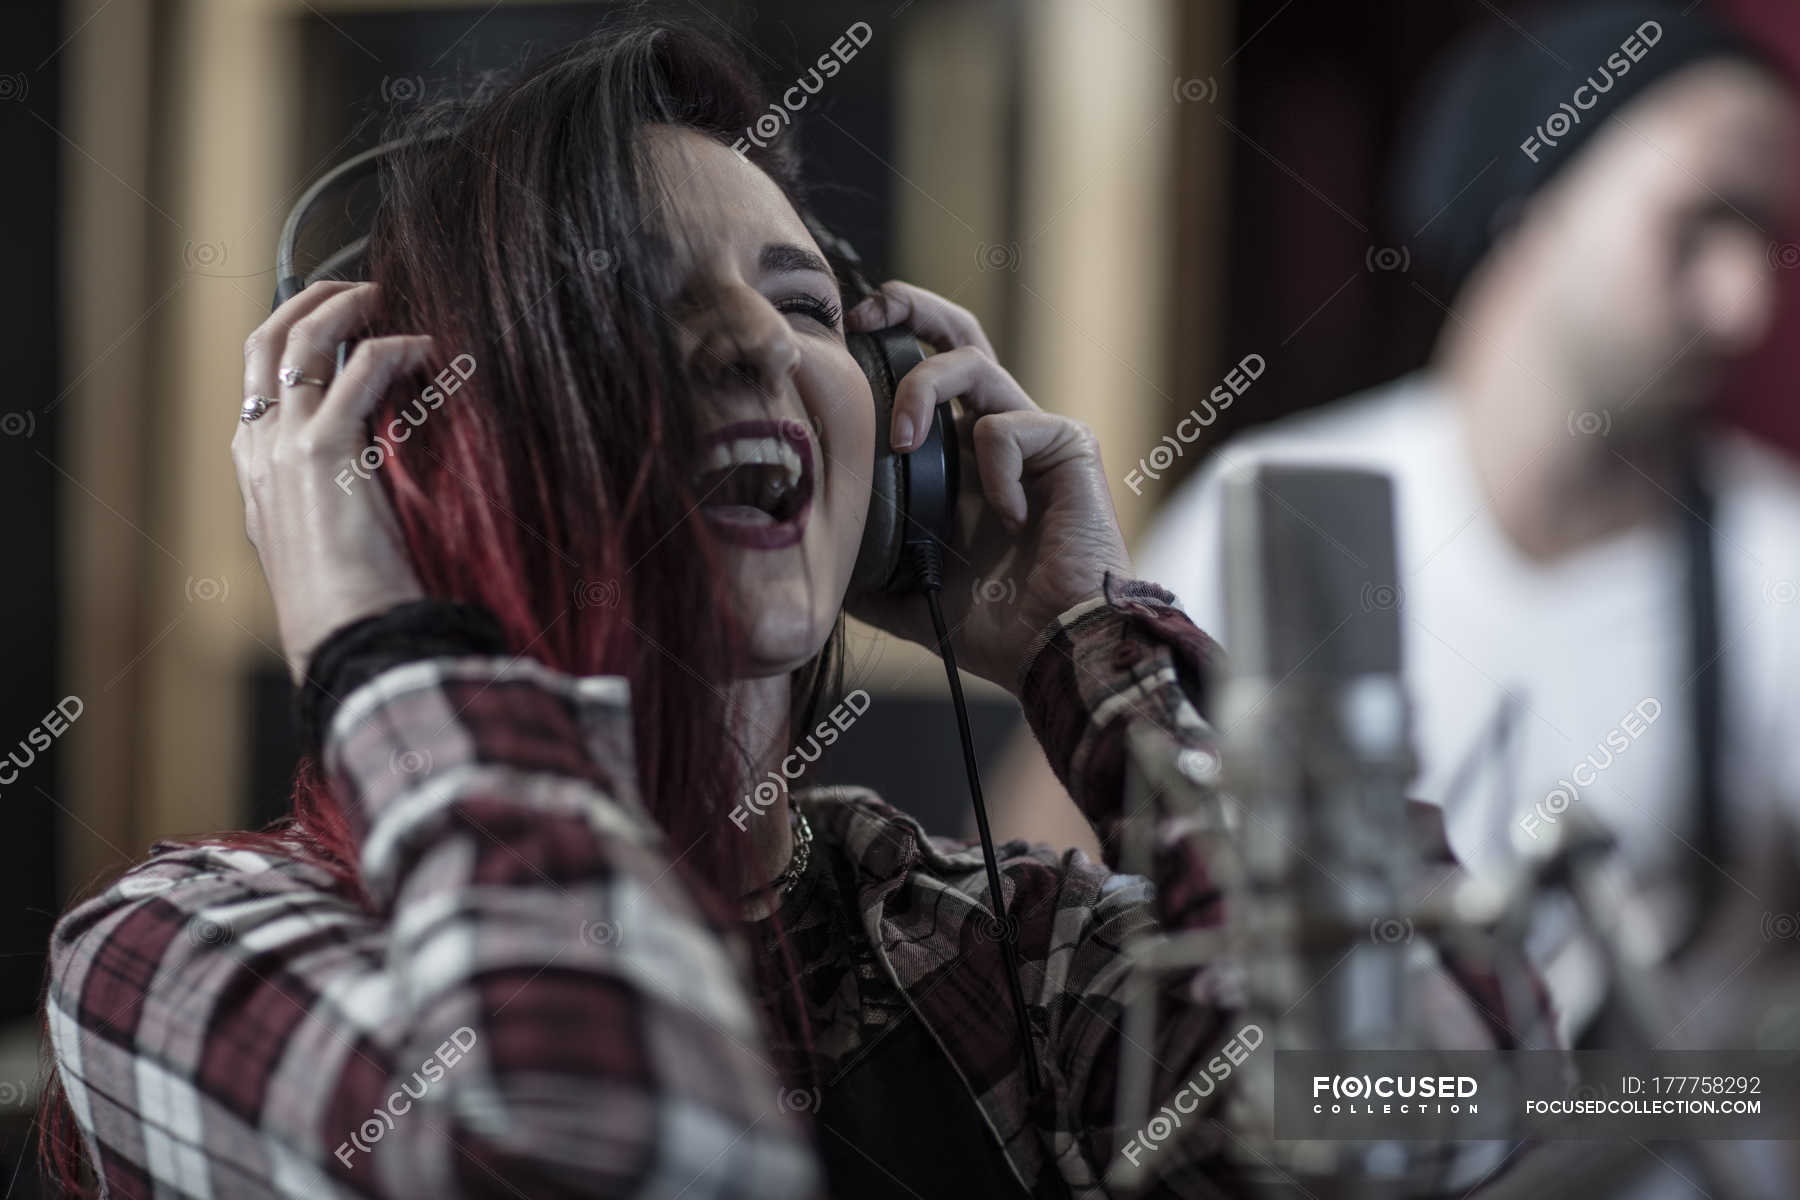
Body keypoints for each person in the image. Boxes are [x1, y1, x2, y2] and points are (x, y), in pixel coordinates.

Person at [38, 18, 1544, 1200]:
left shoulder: (977, 947)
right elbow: (600, 1142)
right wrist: (384, 637)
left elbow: (1423, 1095)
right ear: (421, 444)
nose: (757, 342)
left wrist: (1088, 646)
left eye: (806, 304)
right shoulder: (177, 958)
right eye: (635, 288)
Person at [993, 0, 1800, 1060]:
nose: (1746, 303)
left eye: (1768, 244)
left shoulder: (1774, 569)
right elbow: (1031, 898)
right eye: (1702, 220)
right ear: (1537, 192)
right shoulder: (1284, 508)